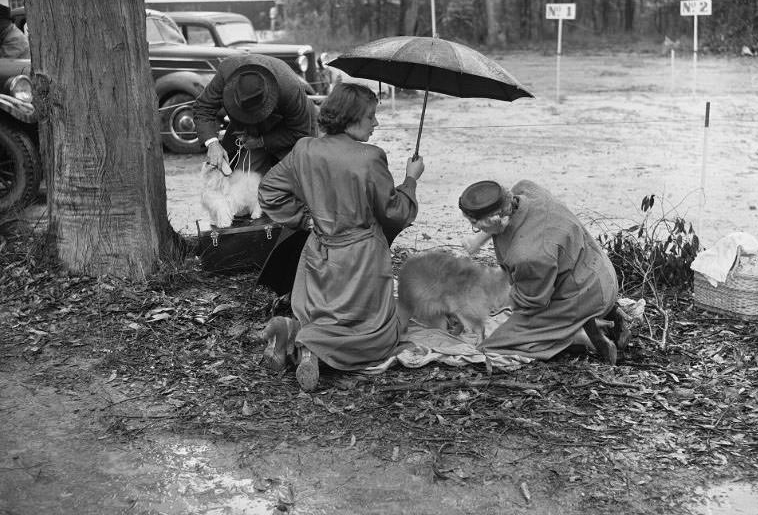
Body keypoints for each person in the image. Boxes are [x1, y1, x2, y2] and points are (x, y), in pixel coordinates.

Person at [258, 83, 425, 391]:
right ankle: (307, 342)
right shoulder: (369, 158)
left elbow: (270, 191)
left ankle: (288, 329)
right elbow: (395, 212)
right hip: (361, 261)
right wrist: (411, 179)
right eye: (371, 117)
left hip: (319, 252)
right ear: (350, 118)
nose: (376, 124)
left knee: (325, 317)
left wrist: (306, 219)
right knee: (377, 337)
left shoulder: (305, 149)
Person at [458, 180, 629, 365]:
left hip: (585, 294)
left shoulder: (528, 255)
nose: (478, 230)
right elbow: (499, 217)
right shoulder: (526, 191)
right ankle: (600, 317)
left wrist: (487, 299)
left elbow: (531, 303)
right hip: (598, 271)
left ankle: (580, 335)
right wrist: (478, 239)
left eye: (478, 226)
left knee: (492, 346)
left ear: (496, 220)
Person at [194, 54, 317, 176]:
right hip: (249, 135)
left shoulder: (289, 88)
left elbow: (300, 131)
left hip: (288, 132)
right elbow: (203, 107)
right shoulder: (227, 71)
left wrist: (261, 141)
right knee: (241, 181)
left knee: (296, 181)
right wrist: (212, 144)